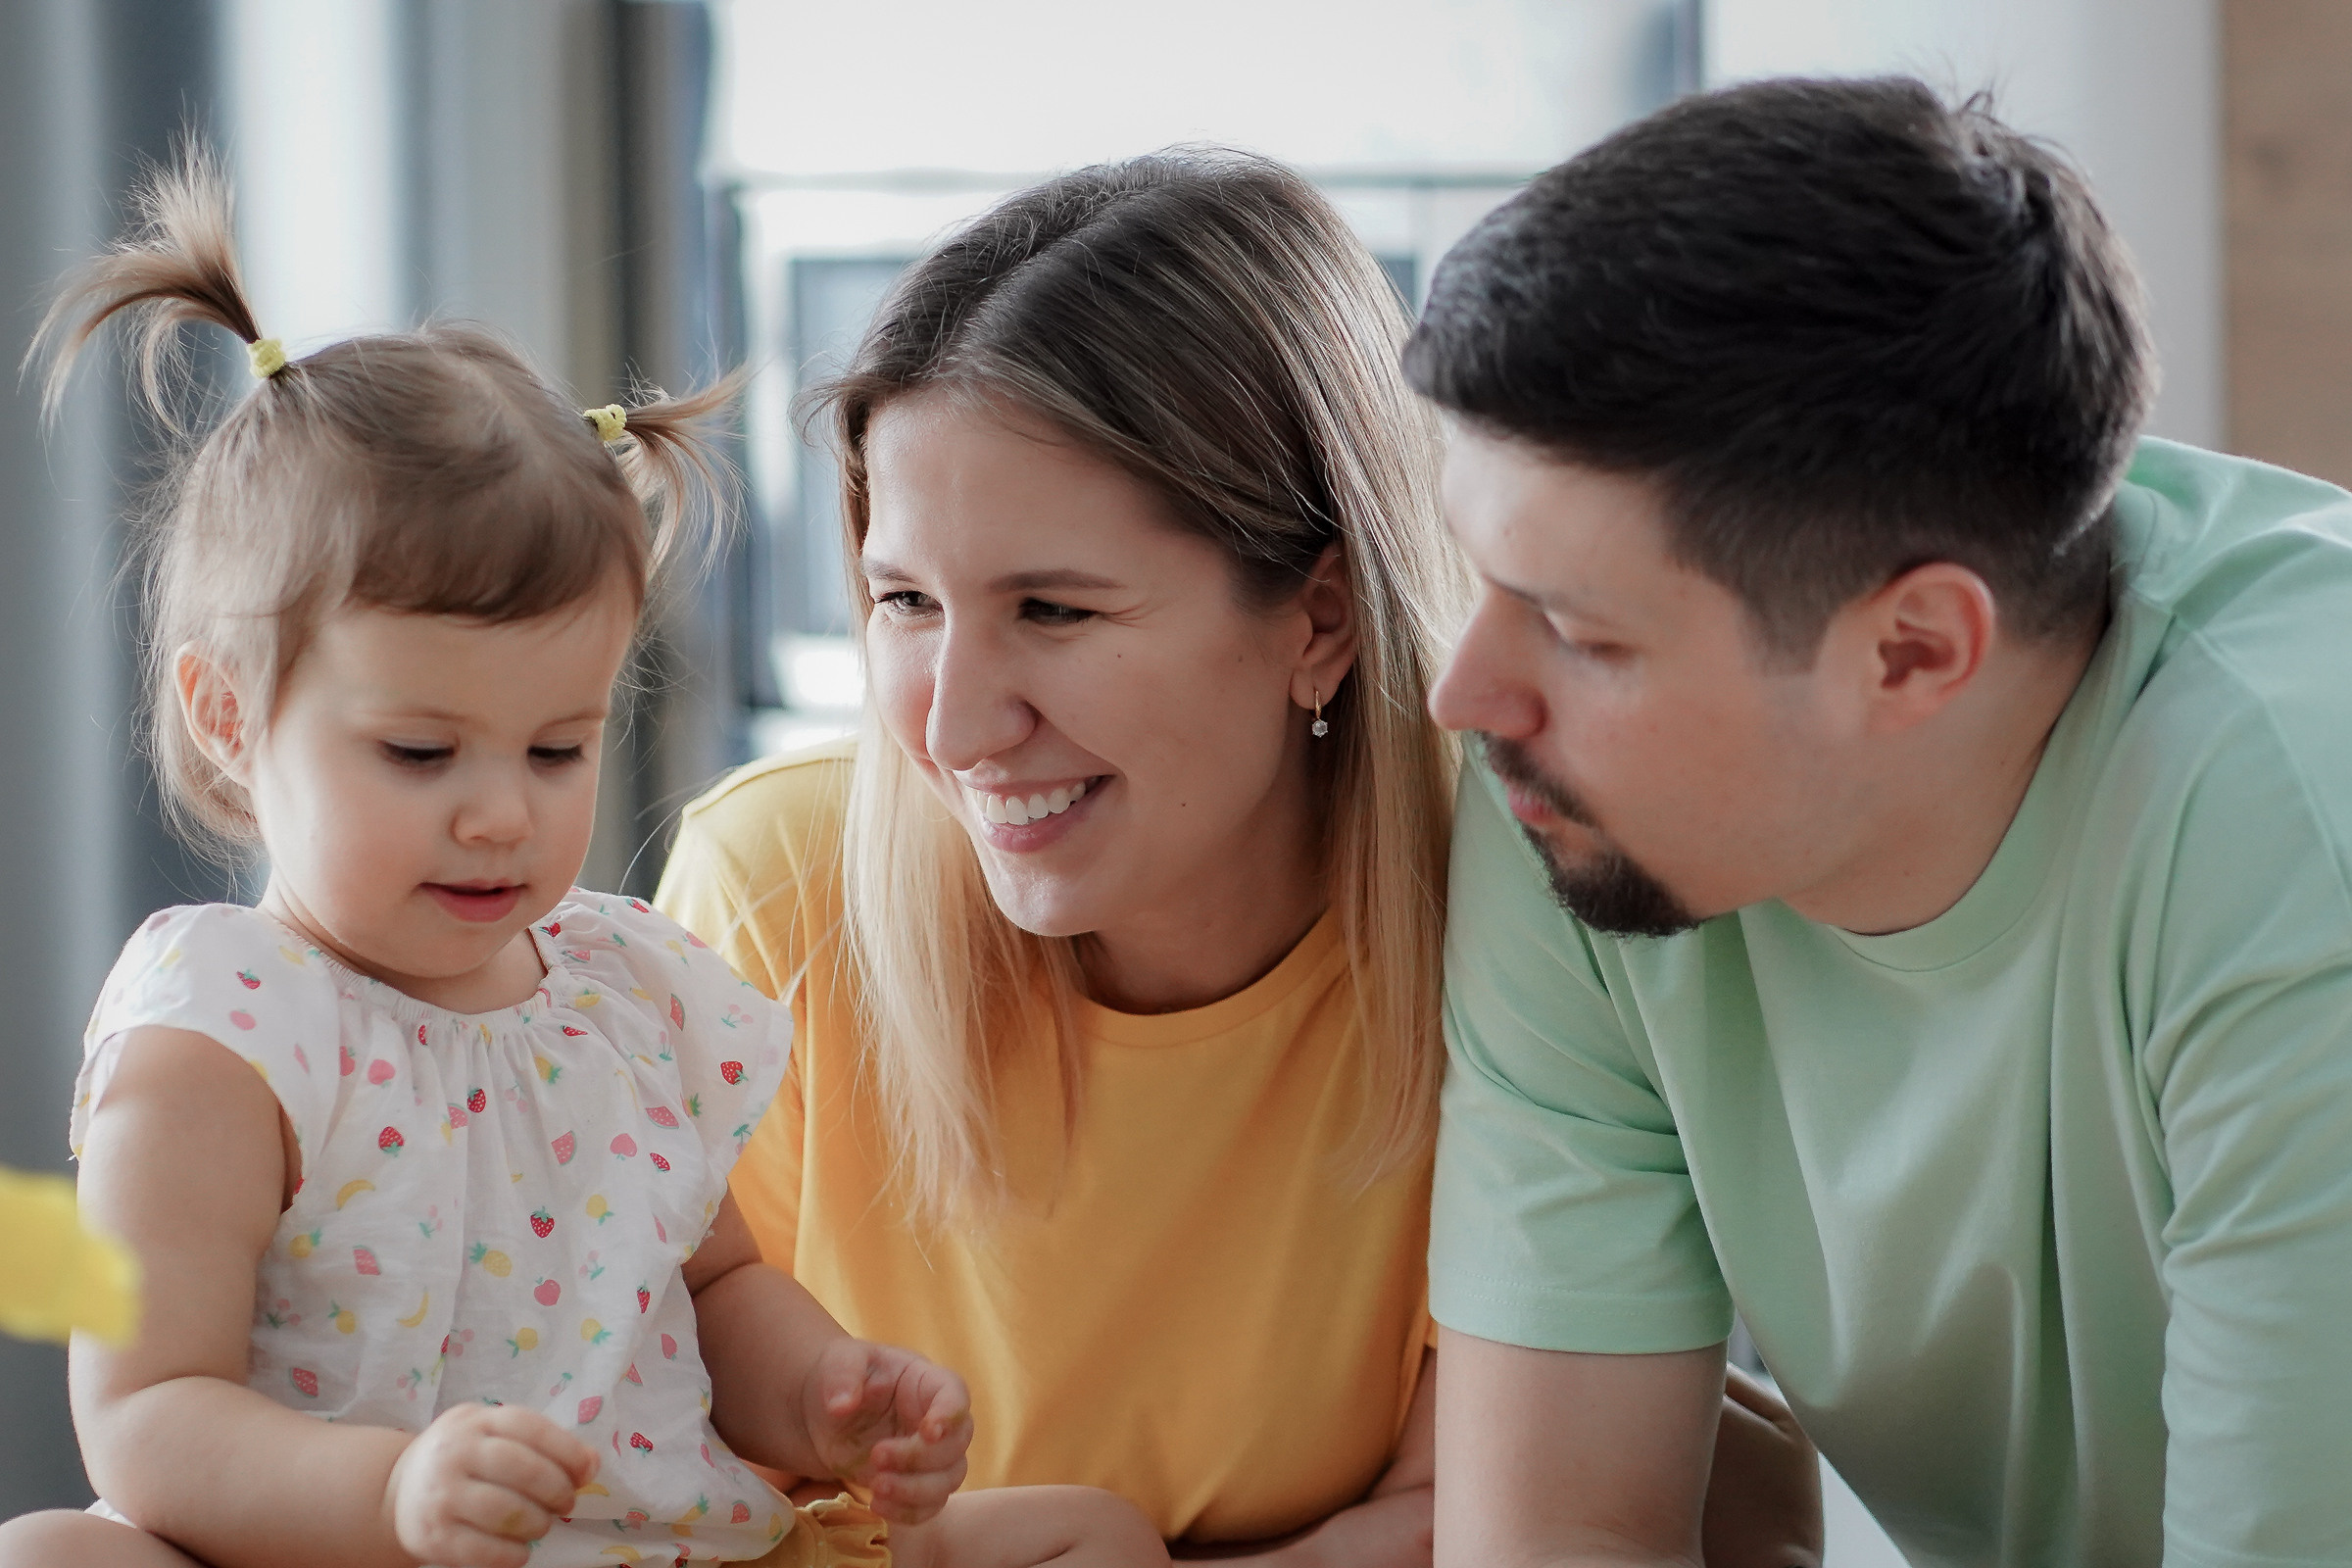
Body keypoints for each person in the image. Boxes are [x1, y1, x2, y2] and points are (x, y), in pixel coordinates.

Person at [657, 149, 1820, 1568]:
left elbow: (1498, 1522)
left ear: (1318, 617)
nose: (954, 723)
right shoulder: (769, 893)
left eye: (1056, 610)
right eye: (906, 600)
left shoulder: (1528, 917)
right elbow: (661, 1481)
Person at [0, 153, 1153, 1568]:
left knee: (1089, 1533)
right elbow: (147, 1412)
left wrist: (828, 1394)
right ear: (229, 719)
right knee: (56, 1553)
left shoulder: (632, 989)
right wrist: (394, 1496)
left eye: (555, 750)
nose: (501, 815)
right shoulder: (221, 1033)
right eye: (421, 756)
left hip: (653, 1547)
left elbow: (718, 1289)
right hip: (335, 1549)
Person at [1408, 74, 2352, 1567]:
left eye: (1578, 627)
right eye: (1483, 579)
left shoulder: (2304, 817)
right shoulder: (1576, 796)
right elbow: (1561, 1535)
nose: (1468, 693)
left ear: (1913, 651)